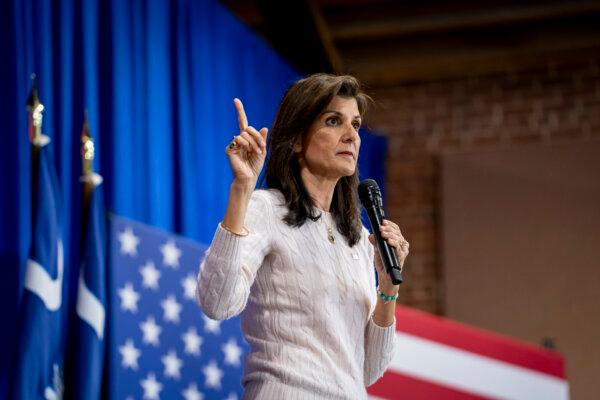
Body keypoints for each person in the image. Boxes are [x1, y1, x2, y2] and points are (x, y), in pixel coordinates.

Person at [196, 73, 410, 399]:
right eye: (334, 121)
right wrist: (242, 189)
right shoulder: (266, 209)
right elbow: (217, 302)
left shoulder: (360, 239)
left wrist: (388, 288)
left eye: (355, 124)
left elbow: (368, 370)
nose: (351, 135)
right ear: (297, 138)